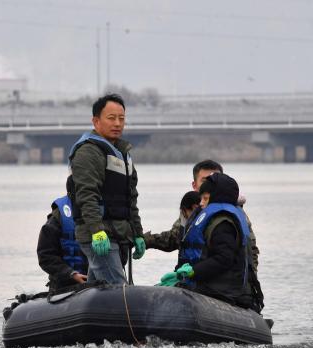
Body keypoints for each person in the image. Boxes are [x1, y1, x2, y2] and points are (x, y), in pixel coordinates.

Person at [68, 94, 145, 284]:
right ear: (96, 121)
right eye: (111, 118)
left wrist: (137, 233)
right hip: (100, 236)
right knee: (119, 291)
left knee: (98, 290)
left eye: (122, 118)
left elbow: (130, 199)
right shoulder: (88, 151)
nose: (117, 123)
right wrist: (96, 230)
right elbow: (86, 195)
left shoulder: (123, 155)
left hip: (119, 234)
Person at [145, 159, 260, 272]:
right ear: (194, 186)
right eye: (205, 181)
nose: (210, 185)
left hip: (217, 283)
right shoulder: (192, 210)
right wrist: (143, 239)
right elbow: (173, 239)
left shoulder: (231, 215)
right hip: (191, 277)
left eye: (215, 180)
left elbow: (250, 251)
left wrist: (249, 281)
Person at [160, 173, 254, 309]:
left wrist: (194, 271)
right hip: (204, 285)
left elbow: (224, 258)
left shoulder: (223, 224)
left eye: (205, 199)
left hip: (222, 291)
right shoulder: (208, 219)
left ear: (217, 199)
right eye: (201, 198)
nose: (201, 203)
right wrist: (180, 275)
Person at [36, 178, 88, 292]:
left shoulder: (101, 214)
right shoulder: (57, 218)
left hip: (97, 283)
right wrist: (71, 274)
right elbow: (45, 256)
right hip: (64, 285)